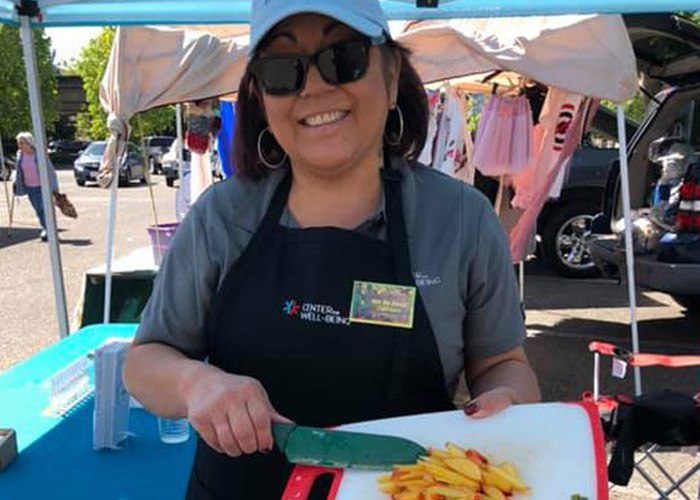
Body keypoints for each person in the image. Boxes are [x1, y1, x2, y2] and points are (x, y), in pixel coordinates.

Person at [123, 1, 541, 498]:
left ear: (391, 78)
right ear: (261, 96)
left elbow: (502, 362)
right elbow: (144, 361)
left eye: (343, 57)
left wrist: (509, 399)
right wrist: (196, 385)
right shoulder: (220, 218)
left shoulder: (462, 220)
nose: (314, 87)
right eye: (283, 69)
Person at [13, 131, 75, 241]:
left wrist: (54, 187)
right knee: (38, 209)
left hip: (42, 186)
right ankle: (46, 228)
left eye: (22, 143)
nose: (19, 145)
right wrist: (16, 182)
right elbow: (19, 171)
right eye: (18, 143)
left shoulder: (39, 154)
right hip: (29, 187)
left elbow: (50, 171)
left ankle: (49, 230)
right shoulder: (20, 155)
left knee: (44, 209)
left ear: (28, 143)